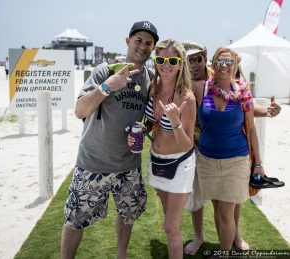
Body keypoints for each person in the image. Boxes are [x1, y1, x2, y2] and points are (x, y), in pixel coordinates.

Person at [60, 20, 159, 259]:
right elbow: (80, 111)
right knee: (75, 218)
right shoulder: (105, 71)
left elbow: (149, 117)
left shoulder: (151, 79)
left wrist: (144, 129)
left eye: (148, 43)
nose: (142, 46)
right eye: (138, 40)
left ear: (153, 48)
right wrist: (106, 87)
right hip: (93, 162)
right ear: (127, 41)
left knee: (127, 214)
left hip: (128, 166)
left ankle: (121, 255)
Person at [183, 42, 281, 255]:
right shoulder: (202, 88)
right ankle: (218, 243)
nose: (224, 65)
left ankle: (225, 251)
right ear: (214, 64)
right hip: (206, 159)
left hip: (236, 159)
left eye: (229, 62)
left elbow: (252, 127)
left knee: (227, 211)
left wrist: (259, 163)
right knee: (218, 209)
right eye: (221, 61)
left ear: (235, 64)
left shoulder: (243, 92)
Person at [142, 39, 196, 258]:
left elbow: (187, 144)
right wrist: (140, 128)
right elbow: (151, 122)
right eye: (161, 59)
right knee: (168, 219)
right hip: (156, 161)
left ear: (180, 64)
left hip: (179, 163)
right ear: (155, 61)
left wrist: (174, 121)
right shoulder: (153, 89)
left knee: (171, 227)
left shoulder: (187, 97)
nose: (166, 65)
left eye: (172, 60)